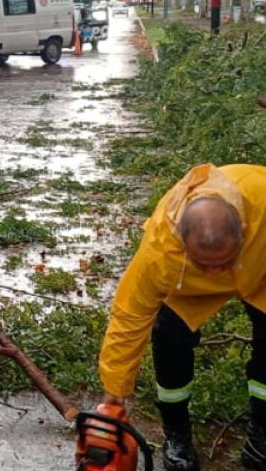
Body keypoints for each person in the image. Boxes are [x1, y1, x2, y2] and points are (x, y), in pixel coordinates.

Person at [97, 164, 266, 471]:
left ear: (241, 230)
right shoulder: (162, 252)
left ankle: (264, 431)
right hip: (185, 283)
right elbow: (129, 318)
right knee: (169, 335)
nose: (217, 273)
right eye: (207, 264)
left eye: (223, 261)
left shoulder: (263, 199)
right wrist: (113, 395)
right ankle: (177, 432)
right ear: (181, 239)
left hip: (260, 265)